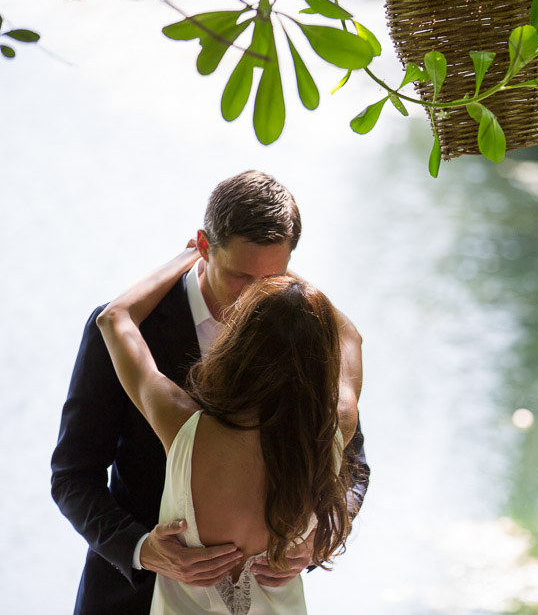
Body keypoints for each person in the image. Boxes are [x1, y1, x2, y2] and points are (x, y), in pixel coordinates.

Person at [51, 171, 369, 614]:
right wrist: (141, 548)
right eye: (240, 276)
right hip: (127, 599)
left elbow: (352, 466)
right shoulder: (137, 332)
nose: (252, 297)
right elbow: (72, 475)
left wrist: (318, 536)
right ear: (203, 245)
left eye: (271, 278)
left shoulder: (300, 339)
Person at [96, 247, 353, 614]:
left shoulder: (184, 426)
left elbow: (114, 320)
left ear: (241, 343)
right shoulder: (335, 430)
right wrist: (283, 276)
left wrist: (190, 257)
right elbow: (352, 337)